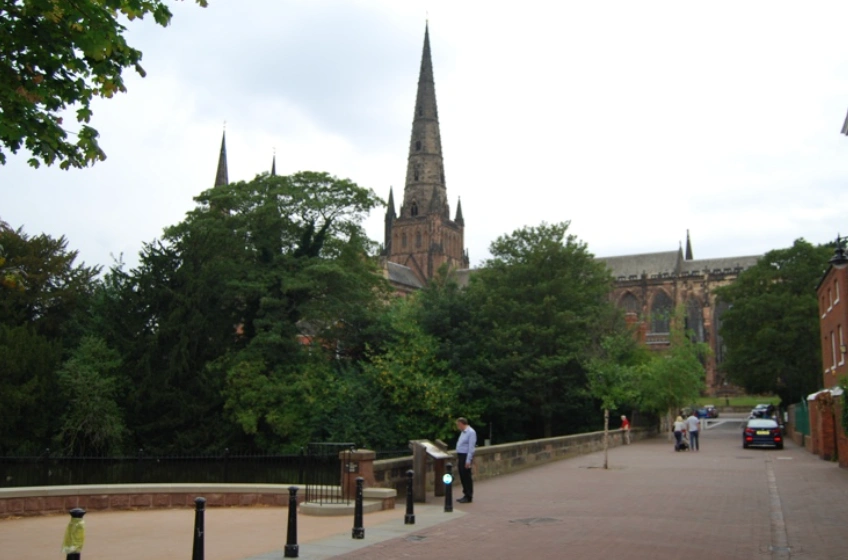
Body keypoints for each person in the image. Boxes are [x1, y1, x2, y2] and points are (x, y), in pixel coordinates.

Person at [455, 417, 477, 503]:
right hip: (461, 455)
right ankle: (465, 493)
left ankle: (469, 495)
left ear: (461, 424)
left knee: (466, 476)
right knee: (462, 475)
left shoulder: (471, 432)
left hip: (465, 456)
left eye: (458, 425)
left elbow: (471, 447)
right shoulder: (463, 432)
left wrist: (468, 460)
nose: (458, 427)